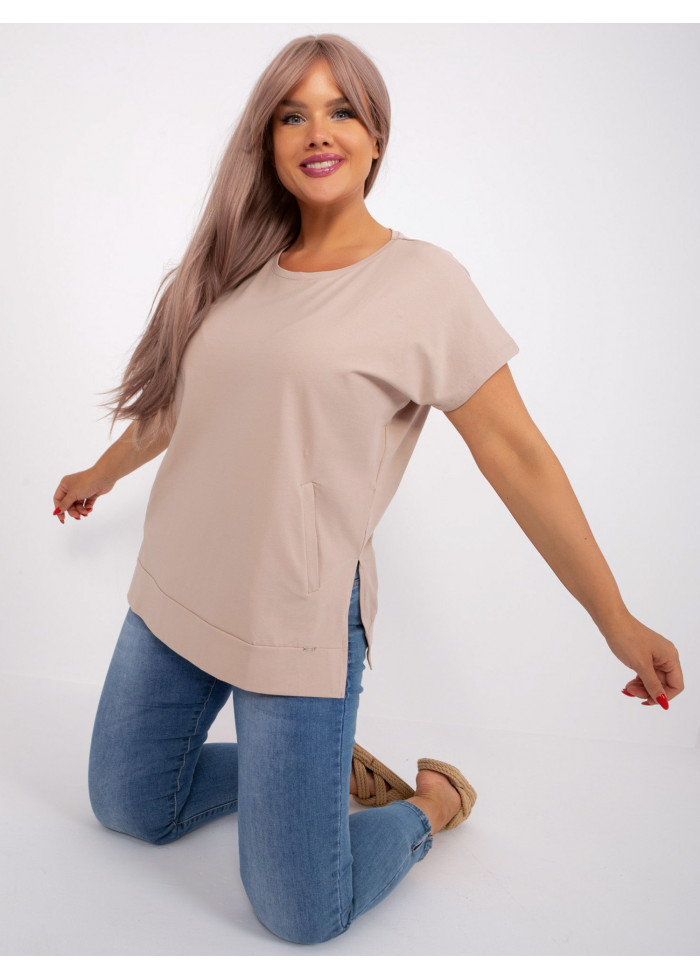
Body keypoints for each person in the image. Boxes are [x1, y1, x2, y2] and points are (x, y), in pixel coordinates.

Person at [52, 34, 684, 945]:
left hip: (295, 612)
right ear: (268, 141)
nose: (319, 131)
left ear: (375, 137)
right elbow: (187, 405)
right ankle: (318, 774)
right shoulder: (239, 266)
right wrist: (101, 472)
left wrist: (615, 619)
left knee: (300, 913)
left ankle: (429, 805)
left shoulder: (423, 283)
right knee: (128, 805)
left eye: (342, 110)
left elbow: (518, 455)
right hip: (179, 583)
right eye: (293, 114)